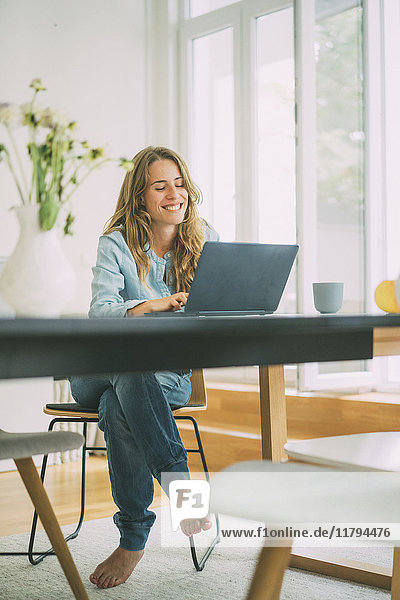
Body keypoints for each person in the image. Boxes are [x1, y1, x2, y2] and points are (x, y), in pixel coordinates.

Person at [69, 146, 219, 590]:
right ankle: (183, 489)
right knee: (125, 370)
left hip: (169, 377)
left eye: (179, 183)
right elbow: (100, 314)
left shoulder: (205, 238)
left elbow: (220, 312)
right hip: (98, 371)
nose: (174, 193)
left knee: (121, 405)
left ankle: (132, 536)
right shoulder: (114, 244)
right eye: (160, 186)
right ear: (141, 198)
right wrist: (151, 306)